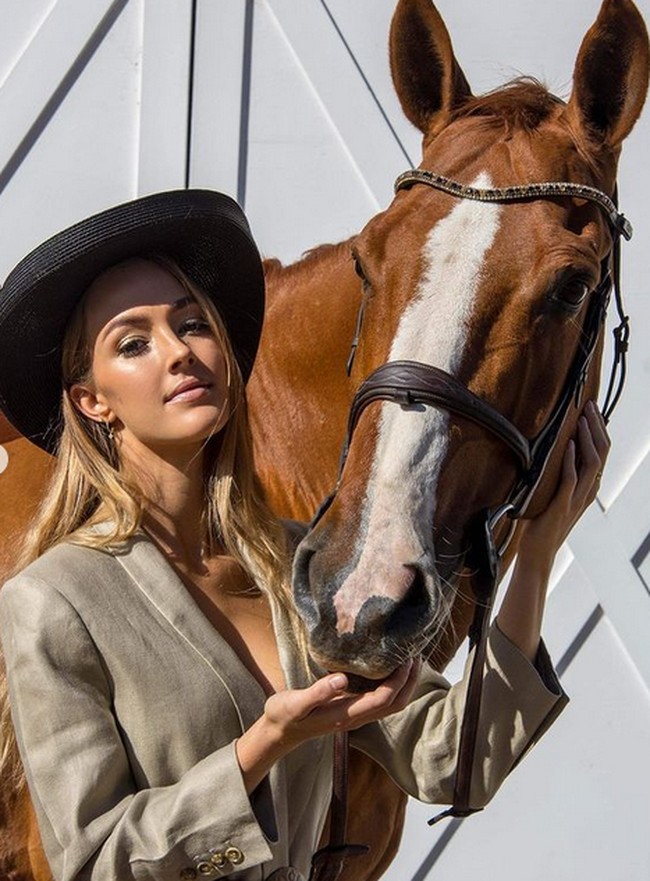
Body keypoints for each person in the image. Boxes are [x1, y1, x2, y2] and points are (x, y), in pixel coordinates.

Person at [0, 189, 608, 881]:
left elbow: (454, 762)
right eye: (134, 342)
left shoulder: (293, 565)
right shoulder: (54, 601)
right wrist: (264, 744)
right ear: (92, 399)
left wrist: (536, 554)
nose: (177, 351)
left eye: (192, 323)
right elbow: (90, 864)